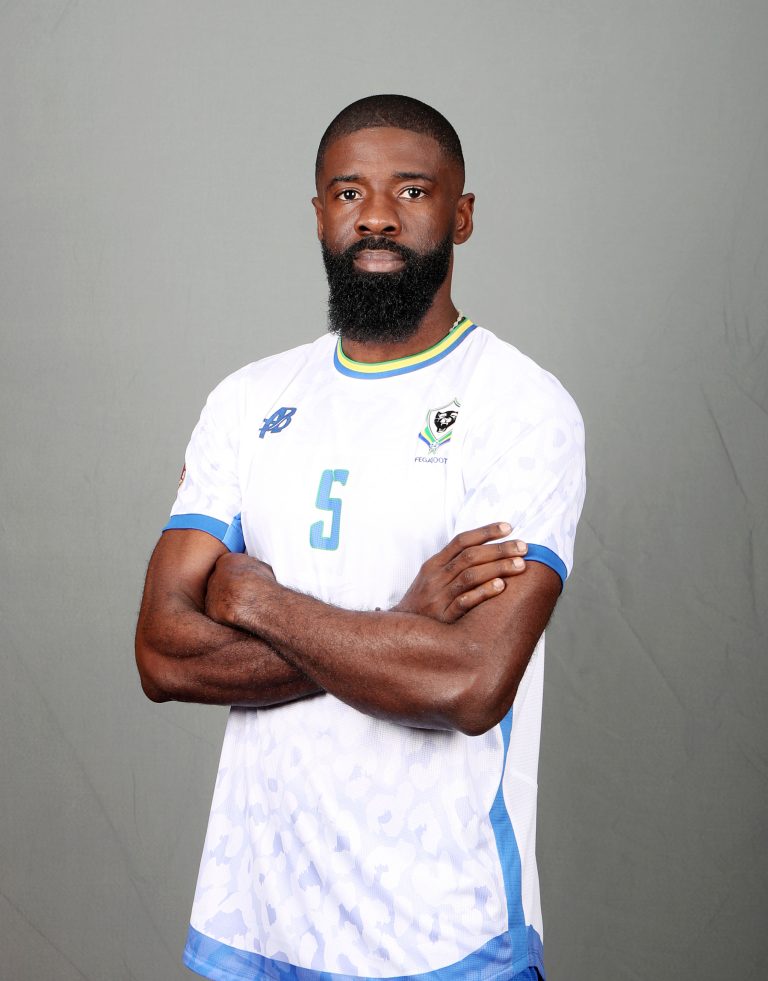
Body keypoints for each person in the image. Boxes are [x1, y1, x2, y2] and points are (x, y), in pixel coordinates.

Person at [135, 94, 586, 981]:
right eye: (348, 192)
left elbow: (467, 680)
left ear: (460, 213)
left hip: (445, 941)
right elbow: (162, 655)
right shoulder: (248, 400)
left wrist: (256, 600)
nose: (376, 214)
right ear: (318, 214)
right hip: (254, 927)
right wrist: (401, 620)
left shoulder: (521, 406)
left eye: (410, 190)